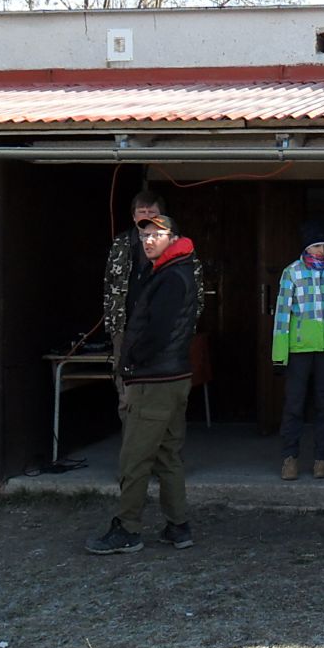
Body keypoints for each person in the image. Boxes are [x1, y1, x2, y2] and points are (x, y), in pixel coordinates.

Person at [87, 215, 201, 554]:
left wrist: (132, 364)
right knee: (167, 455)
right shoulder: (172, 272)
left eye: (157, 234)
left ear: (173, 237)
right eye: (145, 234)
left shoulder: (170, 278)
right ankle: (178, 527)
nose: (148, 240)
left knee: (135, 458)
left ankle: (128, 529)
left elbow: (157, 332)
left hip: (154, 381)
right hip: (171, 377)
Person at [103, 190, 203, 422]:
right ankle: (132, 438)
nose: (146, 216)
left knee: (162, 391)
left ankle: (152, 449)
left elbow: (195, 290)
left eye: (152, 213)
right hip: (125, 325)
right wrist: (113, 324)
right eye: (142, 212)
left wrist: (188, 325)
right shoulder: (121, 244)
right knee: (127, 390)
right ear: (133, 216)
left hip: (165, 330)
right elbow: (109, 284)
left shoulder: (178, 250)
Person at [271, 221, 324, 481]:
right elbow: (282, 314)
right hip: (298, 348)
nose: (321, 250)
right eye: (317, 245)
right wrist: (278, 354)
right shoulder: (292, 272)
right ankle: (290, 458)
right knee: (294, 404)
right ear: (307, 246)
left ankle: (321, 458)